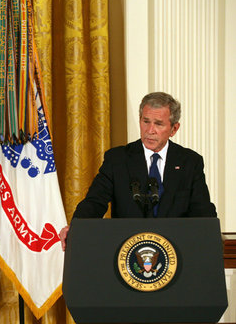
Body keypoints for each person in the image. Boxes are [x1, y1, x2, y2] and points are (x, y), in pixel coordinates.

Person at [60, 92, 217, 250]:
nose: (150, 130)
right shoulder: (118, 159)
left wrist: (211, 235)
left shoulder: (189, 162)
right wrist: (76, 227)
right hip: (126, 250)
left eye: (158, 124)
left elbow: (202, 210)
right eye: (146, 121)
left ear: (174, 129)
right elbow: (94, 202)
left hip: (175, 250)